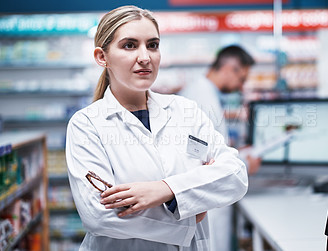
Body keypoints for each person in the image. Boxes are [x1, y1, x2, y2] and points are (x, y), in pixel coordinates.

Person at [65, 5, 248, 251]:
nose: (145, 57)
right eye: (130, 45)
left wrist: (165, 190)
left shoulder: (186, 111)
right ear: (102, 57)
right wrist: (191, 210)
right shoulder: (87, 125)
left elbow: (235, 175)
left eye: (152, 45)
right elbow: (99, 215)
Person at [178, 45, 260, 251]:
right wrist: (245, 163)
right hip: (206, 203)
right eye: (241, 79)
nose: (241, 86)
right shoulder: (202, 98)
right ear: (230, 67)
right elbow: (207, 161)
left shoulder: (200, 91)